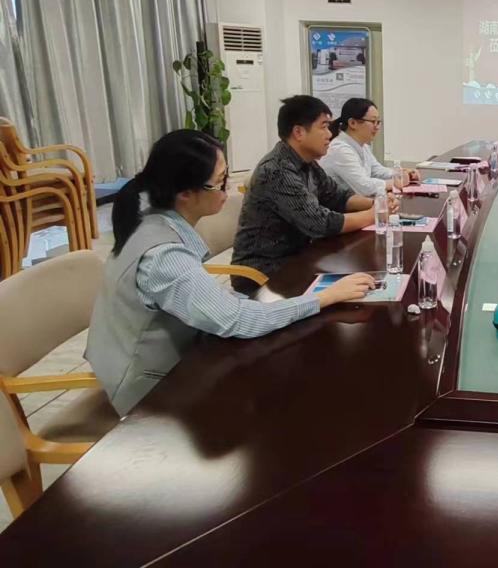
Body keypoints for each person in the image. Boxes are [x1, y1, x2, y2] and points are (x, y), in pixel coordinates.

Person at [85, 129, 376, 416]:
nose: (228, 189)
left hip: (174, 359)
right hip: (149, 389)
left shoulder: (150, 219)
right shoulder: (164, 256)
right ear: (185, 193)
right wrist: (324, 297)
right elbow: (236, 320)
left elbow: (209, 303)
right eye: (219, 182)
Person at [232, 95, 393, 292]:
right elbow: (320, 223)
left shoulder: (307, 162)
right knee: (360, 284)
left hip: (302, 256)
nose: (329, 134)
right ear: (299, 132)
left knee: (365, 277)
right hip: (266, 271)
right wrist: (373, 215)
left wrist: (376, 204)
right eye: (323, 126)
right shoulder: (277, 170)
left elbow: (338, 196)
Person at [321, 97, 419, 196]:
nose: (377, 127)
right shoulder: (339, 149)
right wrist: (395, 182)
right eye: (373, 121)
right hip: (341, 204)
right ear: (352, 123)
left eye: (378, 122)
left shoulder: (363, 145)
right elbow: (364, 187)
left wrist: (401, 174)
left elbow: (377, 171)